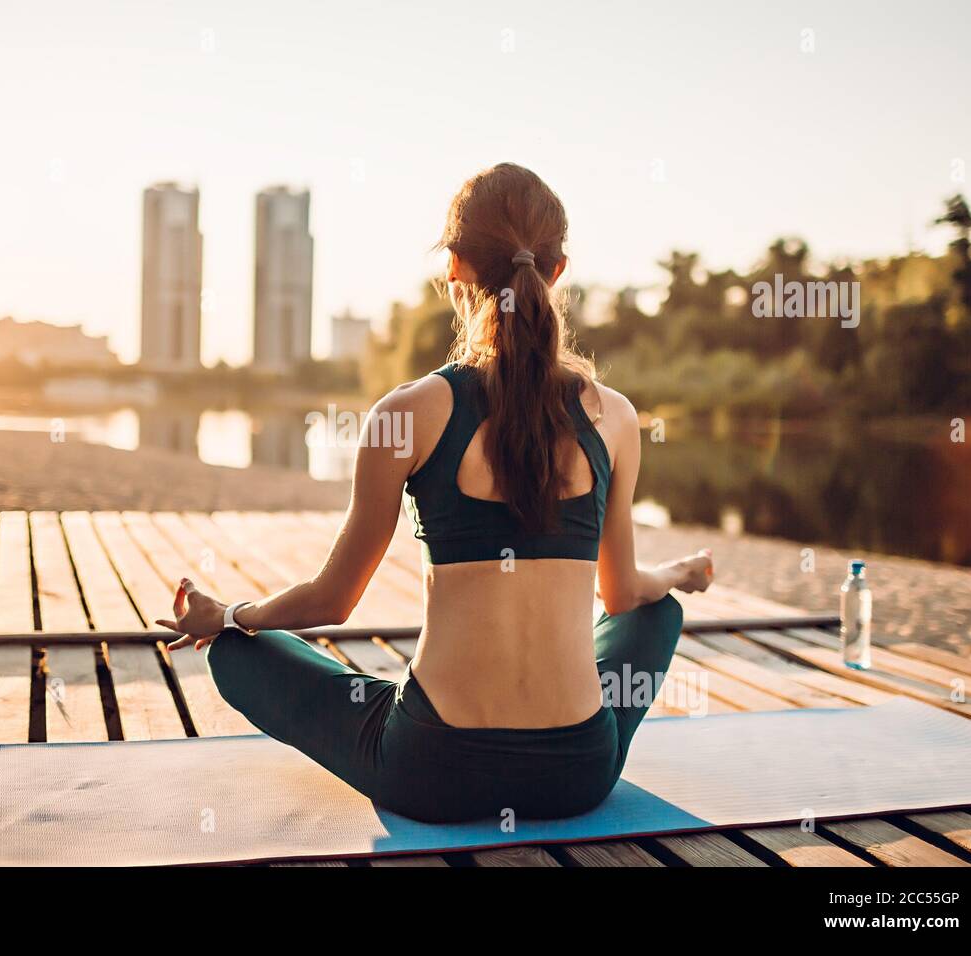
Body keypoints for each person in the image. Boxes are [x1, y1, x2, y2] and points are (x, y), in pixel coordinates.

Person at [159, 163, 713, 823]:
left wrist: (228, 616)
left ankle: (249, 640)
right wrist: (672, 576)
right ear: (559, 271)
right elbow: (623, 597)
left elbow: (332, 601)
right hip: (575, 774)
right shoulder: (615, 417)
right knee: (660, 612)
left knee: (241, 652)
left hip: (432, 771)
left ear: (454, 267)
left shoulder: (407, 413)